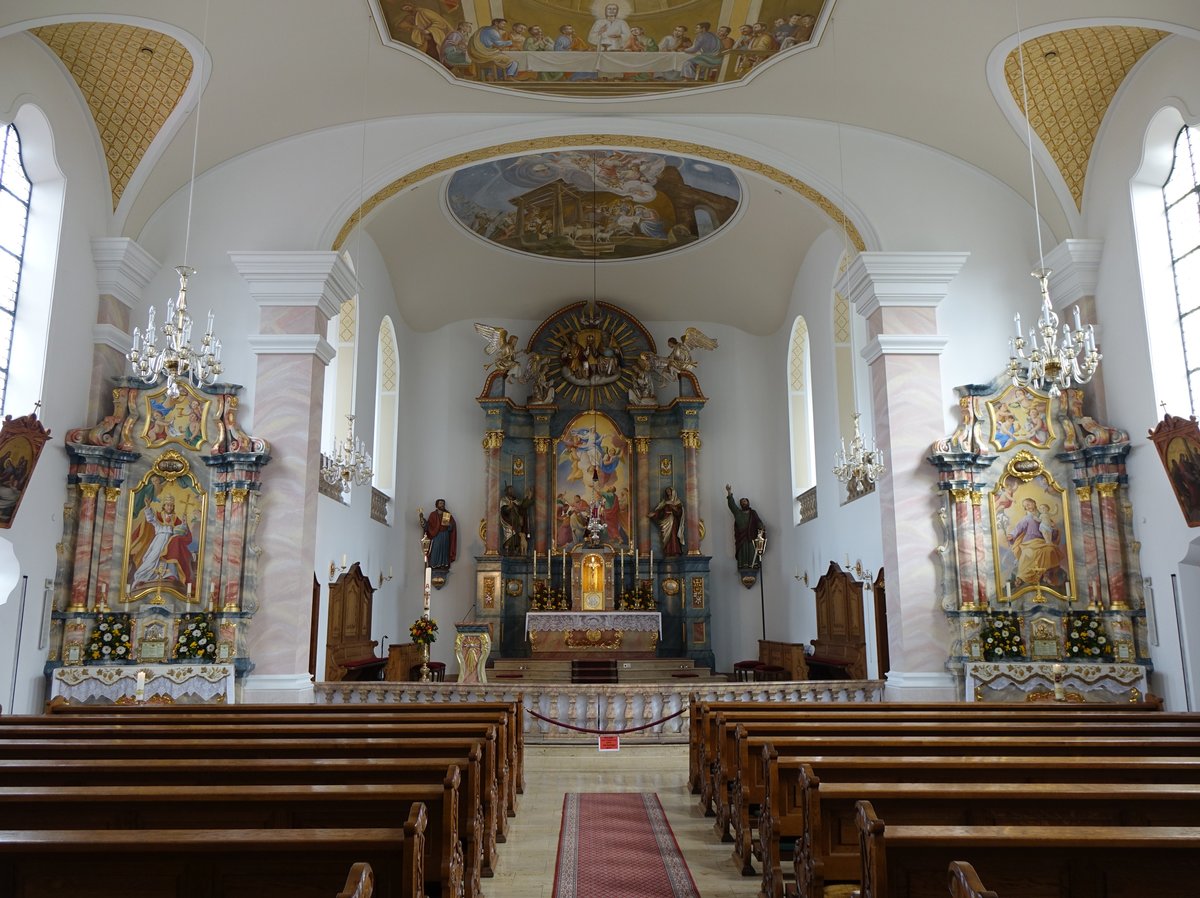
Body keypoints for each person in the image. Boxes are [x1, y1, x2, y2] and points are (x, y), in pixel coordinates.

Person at [129, 495, 195, 589]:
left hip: (170, 541)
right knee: (152, 558)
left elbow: (183, 530)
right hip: (159, 540)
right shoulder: (159, 515)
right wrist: (148, 506)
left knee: (170, 556)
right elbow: (150, 519)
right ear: (164, 506)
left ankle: (169, 575)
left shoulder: (175, 518)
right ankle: (143, 577)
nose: (169, 507)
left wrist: (184, 522)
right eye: (167, 505)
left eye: (171, 505)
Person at [1006, 496, 1061, 588]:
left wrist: (1055, 529)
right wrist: (1012, 535)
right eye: (1025, 506)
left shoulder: (1044, 516)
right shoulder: (1026, 518)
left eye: (1028, 504)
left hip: (1043, 541)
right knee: (1028, 553)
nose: (1027, 507)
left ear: (1034, 503)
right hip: (1029, 542)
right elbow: (1018, 528)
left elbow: (1051, 531)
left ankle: (1046, 574)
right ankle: (1022, 577)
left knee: (1050, 549)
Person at [726, 484, 765, 569]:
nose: (744, 503)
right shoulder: (738, 513)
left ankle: (753, 565)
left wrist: (761, 527)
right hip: (741, 538)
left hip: (751, 537)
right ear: (740, 504)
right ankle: (743, 566)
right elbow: (731, 505)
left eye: (745, 501)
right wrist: (729, 492)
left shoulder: (753, 513)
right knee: (742, 551)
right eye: (742, 502)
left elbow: (758, 521)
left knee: (752, 551)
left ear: (748, 503)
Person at [421, 498, 458, 570]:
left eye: (443, 504)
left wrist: (449, 525)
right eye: (440, 503)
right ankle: (433, 565)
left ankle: (443, 565)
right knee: (435, 550)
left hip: (445, 536)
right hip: (436, 536)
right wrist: (423, 522)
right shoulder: (433, 514)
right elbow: (428, 526)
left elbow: (452, 526)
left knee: (444, 551)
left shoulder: (447, 514)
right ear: (436, 505)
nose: (442, 505)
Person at [648, 485, 685, 556]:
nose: (668, 492)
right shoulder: (665, 502)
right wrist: (654, 514)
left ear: (672, 492)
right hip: (665, 521)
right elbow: (660, 512)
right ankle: (668, 551)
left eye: (669, 491)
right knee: (666, 537)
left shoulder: (677, 502)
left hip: (673, 521)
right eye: (667, 491)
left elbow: (679, 513)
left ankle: (675, 551)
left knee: (673, 536)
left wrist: (673, 507)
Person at [499, 484, 533, 556]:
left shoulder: (516, 501)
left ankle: (517, 551)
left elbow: (522, 507)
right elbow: (503, 511)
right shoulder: (503, 500)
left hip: (517, 525)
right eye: (510, 490)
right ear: (507, 492)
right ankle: (508, 552)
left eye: (513, 490)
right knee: (510, 538)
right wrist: (508, 507)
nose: (512, 492)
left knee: (517, 539)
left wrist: (529, 497)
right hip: (509, 524)